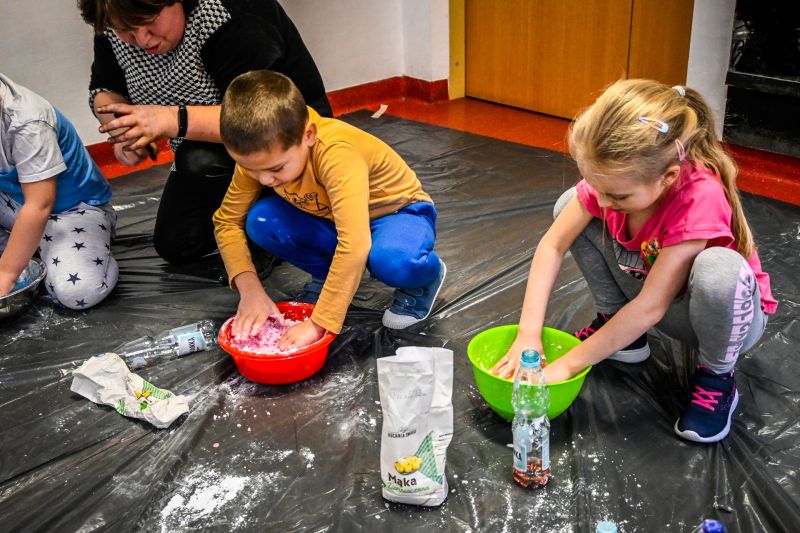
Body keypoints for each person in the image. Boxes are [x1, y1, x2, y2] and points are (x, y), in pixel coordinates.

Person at [491, 79, 778, 443]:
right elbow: (552, 247)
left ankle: (718, 377)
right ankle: (622, 336)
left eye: (617, 195)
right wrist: (528, 335)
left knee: (719, 270)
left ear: (668, 177)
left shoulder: (699, 196)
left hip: (719, 320)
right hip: (658, 299)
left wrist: (565, 367)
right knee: (569, 205)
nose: (603, 201)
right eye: (597, 187)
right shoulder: (616, 183)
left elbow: (650, 308)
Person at [78, 0, 333, 264]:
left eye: (150, 21)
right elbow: (105, 86)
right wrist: (121, 128)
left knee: (198, 159)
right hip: (208, 142)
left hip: (288, 141)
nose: (142, 39)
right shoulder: (113, 19)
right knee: (176, 244)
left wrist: (168, 119)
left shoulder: (233, 17)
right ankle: (252, 222)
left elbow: (257, 118)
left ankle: (271, 224)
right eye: (125, 31)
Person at [213, 70, 446, 350]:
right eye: (252, 169)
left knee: (392, 260)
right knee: (262, 220)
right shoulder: (261, 155)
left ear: (308, 135)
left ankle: (424, 280)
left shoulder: (336, 153)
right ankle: (328, 278)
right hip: (333, 217)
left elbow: (355, 244)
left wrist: (318, 323)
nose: (264, 180)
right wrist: (249, 289)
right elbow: (227, 222)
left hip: (397, 214)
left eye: (276, 169)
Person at [0, 73, 118, 309]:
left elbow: (39, 204)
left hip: (69, 211)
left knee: (77, 290)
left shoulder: (27, 122)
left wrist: (6, 275)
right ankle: (28, 248)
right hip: (10, 202)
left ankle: (88, 245)